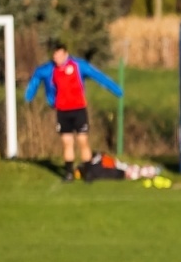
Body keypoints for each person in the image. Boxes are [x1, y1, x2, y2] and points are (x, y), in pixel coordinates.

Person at [23, 43, 123, 183]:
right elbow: (36, 78)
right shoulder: (48, 69)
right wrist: (29, 96)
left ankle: (89, 173)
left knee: (83, 141)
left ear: (66, 54)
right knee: (67, 142)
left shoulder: (78, 65)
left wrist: (115, 89)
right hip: (62, 111)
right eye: (54, 55)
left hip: (79, 109)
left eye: (59, 54)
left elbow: (97, 75)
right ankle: (68, 173)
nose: (56, 58)